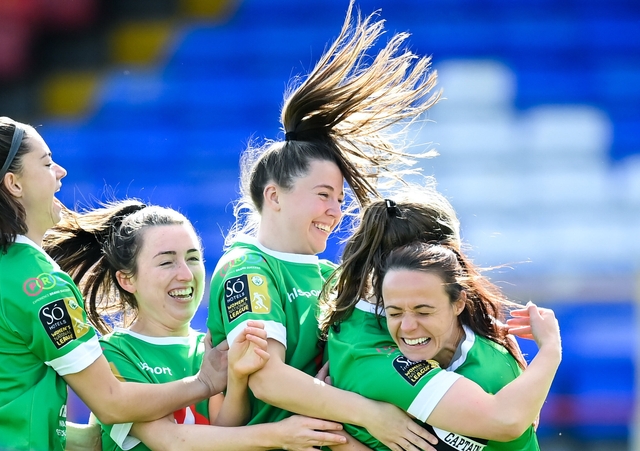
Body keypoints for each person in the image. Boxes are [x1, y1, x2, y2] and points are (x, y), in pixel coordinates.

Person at [205, 2, 444, 450]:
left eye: (339, 199)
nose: (336, 211)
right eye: (322, 195)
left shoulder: (324, 274)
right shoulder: (248, 269)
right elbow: (268, 380)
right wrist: (372, 415)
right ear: (273, 196)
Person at [0, 117, 229, 451]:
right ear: (15, 184)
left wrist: (97, 438)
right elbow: (111, 402)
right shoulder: (39, 283)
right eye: (46, 163)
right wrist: (204, 383)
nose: (60, 171)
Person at [43, 200, 349, 451]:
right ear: (127, 279)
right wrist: (278, 434)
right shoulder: (115, 353)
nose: (186, 275)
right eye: (166, 262)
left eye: (192, 259)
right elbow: (171, 442)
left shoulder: (210, 347)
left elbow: (224, 435)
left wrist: (238, 379)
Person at [323, 193, 562, 450]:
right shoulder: (371, 352)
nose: (459, 265)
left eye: (424, 310)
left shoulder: (486, 354)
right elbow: (505, 420)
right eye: (451, 254)